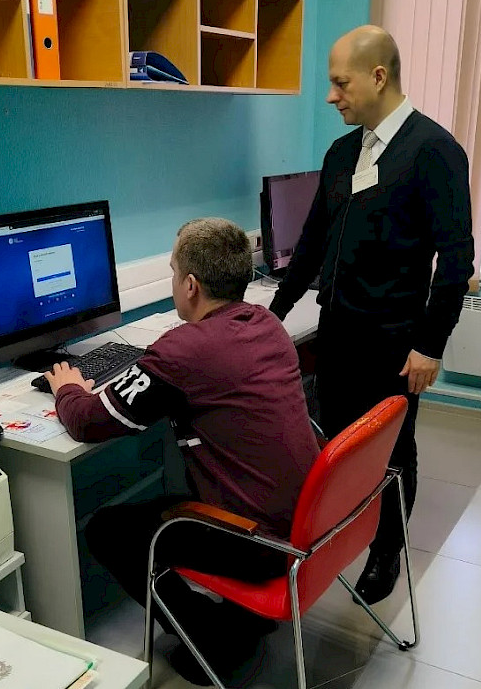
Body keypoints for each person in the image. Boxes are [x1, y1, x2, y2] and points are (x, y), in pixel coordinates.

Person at [45, 217, 320, 686]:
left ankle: (210, 638)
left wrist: (67, 387)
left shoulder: (184, 351)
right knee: (173, 493)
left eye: (173, 272)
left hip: (260, 541)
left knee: (109, 530)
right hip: (305, 518)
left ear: (190, 285)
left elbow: (88, 422)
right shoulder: (267, 323)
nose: (173, 280)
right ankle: (241, 619)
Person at [269, 25, 475, 605]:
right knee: (339, 446)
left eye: (340, 83)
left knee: (391, 450)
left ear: (378, 77)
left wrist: (430, 345)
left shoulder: (433, 151)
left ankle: (387, 548)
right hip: (337, 332)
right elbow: (312, 244)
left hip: (394, 341)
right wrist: (273, 315)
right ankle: (347, 534)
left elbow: (456, 261)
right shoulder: (342, 153)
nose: (330, 96)